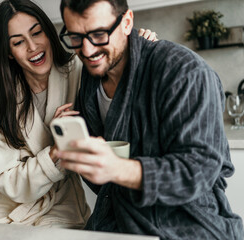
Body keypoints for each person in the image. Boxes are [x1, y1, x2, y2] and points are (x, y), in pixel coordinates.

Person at [56, 0, 244, 238]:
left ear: (126, 22)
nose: (87, 50)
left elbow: (198, 171)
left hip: (187, 226)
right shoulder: (92, 74)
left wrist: (117, 168)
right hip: (114, 225)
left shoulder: (184, 71)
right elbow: (104, 182)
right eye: (75, 37)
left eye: (99, 34)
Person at [0, 0, 157, 228]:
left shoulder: (80, 70)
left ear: (49, 32)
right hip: (9, 207)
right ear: (9, 52)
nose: (32, 47)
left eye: (37, 33)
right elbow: (6, 179)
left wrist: (139, 50)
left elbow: (117, 75)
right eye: (19, 42)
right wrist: (54, 152)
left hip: (63, 204)